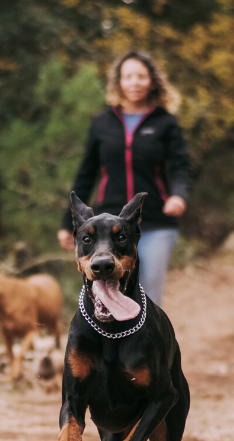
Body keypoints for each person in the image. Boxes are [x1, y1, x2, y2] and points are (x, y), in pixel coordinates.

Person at [59, 51, 193, 307]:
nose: (135, 82)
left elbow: (182, 166)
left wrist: (178, 194)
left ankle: (147, 346)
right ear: (118, 82)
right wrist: (68, 223)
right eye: (128, 76)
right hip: (107, 226)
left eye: (141, 76)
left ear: (152, 81)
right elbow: (86, 174)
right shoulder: (102, 123)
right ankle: (111, 344)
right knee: (105, 290)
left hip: (154, 221)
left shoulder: (166, 123)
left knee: (148, 293)